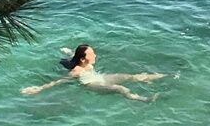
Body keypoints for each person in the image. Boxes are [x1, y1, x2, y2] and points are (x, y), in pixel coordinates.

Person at [23, 43, 167, 101]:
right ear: (83, 59)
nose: (95, 55)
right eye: (92, 54)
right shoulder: (77, 71)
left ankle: (164, 76)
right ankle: (145, 100)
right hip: (92, 84)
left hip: (99, 77)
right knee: (120, 88)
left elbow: (75, 55)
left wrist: (69, 51)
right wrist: (39, 89)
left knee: (131, 77)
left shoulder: (83, 62)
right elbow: (59, 81)